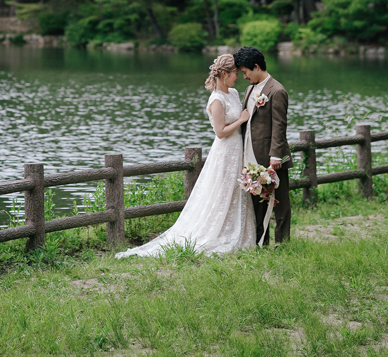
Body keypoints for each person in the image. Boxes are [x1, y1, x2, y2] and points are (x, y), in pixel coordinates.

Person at [116, 53, 256, 258]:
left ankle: (239, 232)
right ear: (225, 74)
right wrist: (242, 120)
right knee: (222, 192)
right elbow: (220, 132)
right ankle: (213, 234)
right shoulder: (216, 99)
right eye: (235, 73)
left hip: (238, 150)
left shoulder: (234, 93)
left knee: (235, 191)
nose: (238, 77)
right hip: (225, 151)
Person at [234, 45, 291, 245]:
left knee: (280, 201)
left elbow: (279, 126)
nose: (244, 77)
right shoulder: (250, 89)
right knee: (258, 199)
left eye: (245, 72)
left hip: (271, 156)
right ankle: (261, 242)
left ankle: (282, 243)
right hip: (250, 154)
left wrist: (275, 156)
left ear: (256, 66)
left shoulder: (277, 90)